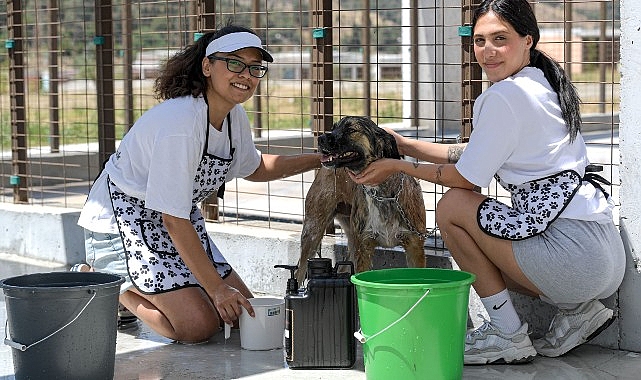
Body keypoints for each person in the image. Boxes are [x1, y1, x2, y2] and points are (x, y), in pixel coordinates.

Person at [349, 0, 625, 365]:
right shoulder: (540, 83)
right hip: (603, 258)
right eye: (479, 41)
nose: (487, 51)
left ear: (528, 40)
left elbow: (465, 177)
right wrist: (402, 144)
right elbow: (472, 152)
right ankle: (578, 311)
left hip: (571, 258)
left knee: (452, 208)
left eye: (500, 39)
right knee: (485, 225)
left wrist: (397, 167)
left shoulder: (504, 96)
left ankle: (507, 333)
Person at [76, 23, 322, 343]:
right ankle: (102, 280)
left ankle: (149, 289)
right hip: (123, 222)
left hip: (175, 220)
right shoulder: (181, 122)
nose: (245, 75)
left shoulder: (233, 117)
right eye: (234, 63)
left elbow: (256, 167)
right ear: (207, 66)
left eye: (255, 68)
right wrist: (216, 289)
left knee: (244, 313)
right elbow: (174, 219)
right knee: (198, 327)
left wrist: (322, 160)